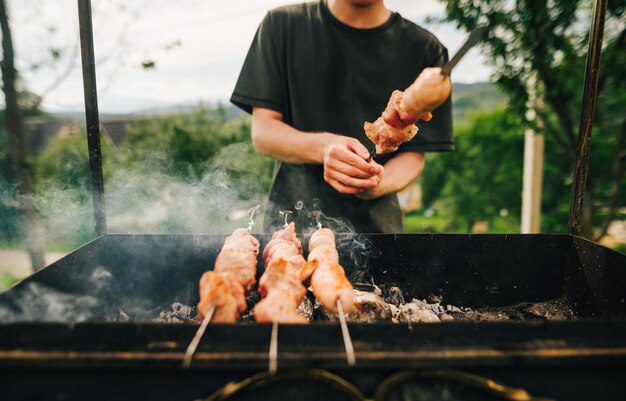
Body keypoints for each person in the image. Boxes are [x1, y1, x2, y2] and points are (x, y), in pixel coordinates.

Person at [231, 0, 453, 233]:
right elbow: (264, 133)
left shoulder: (424, 48)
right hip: (290, 231)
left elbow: (414, 156)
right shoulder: (282, 25)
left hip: (378, 235)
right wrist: (324, 147)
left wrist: (378, 182)